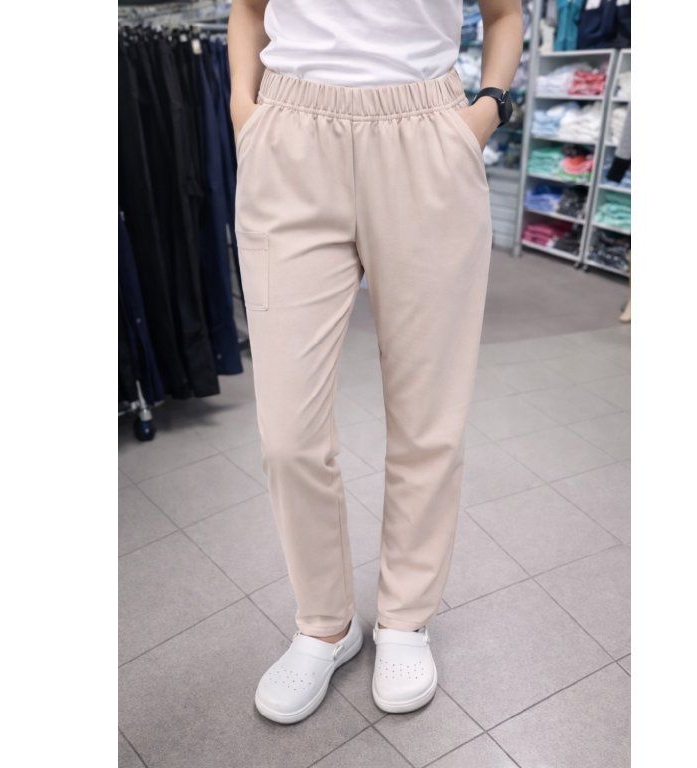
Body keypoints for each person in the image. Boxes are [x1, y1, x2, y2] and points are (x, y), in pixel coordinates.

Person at [228, 0, 523, 723]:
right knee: (287, 436)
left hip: (426, 136)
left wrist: (485, 111)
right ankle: (325, 624)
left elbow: (505, 13)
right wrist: (245, 110)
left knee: (429, 419)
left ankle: (405, 619)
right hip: (289, 140)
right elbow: (247, 7)